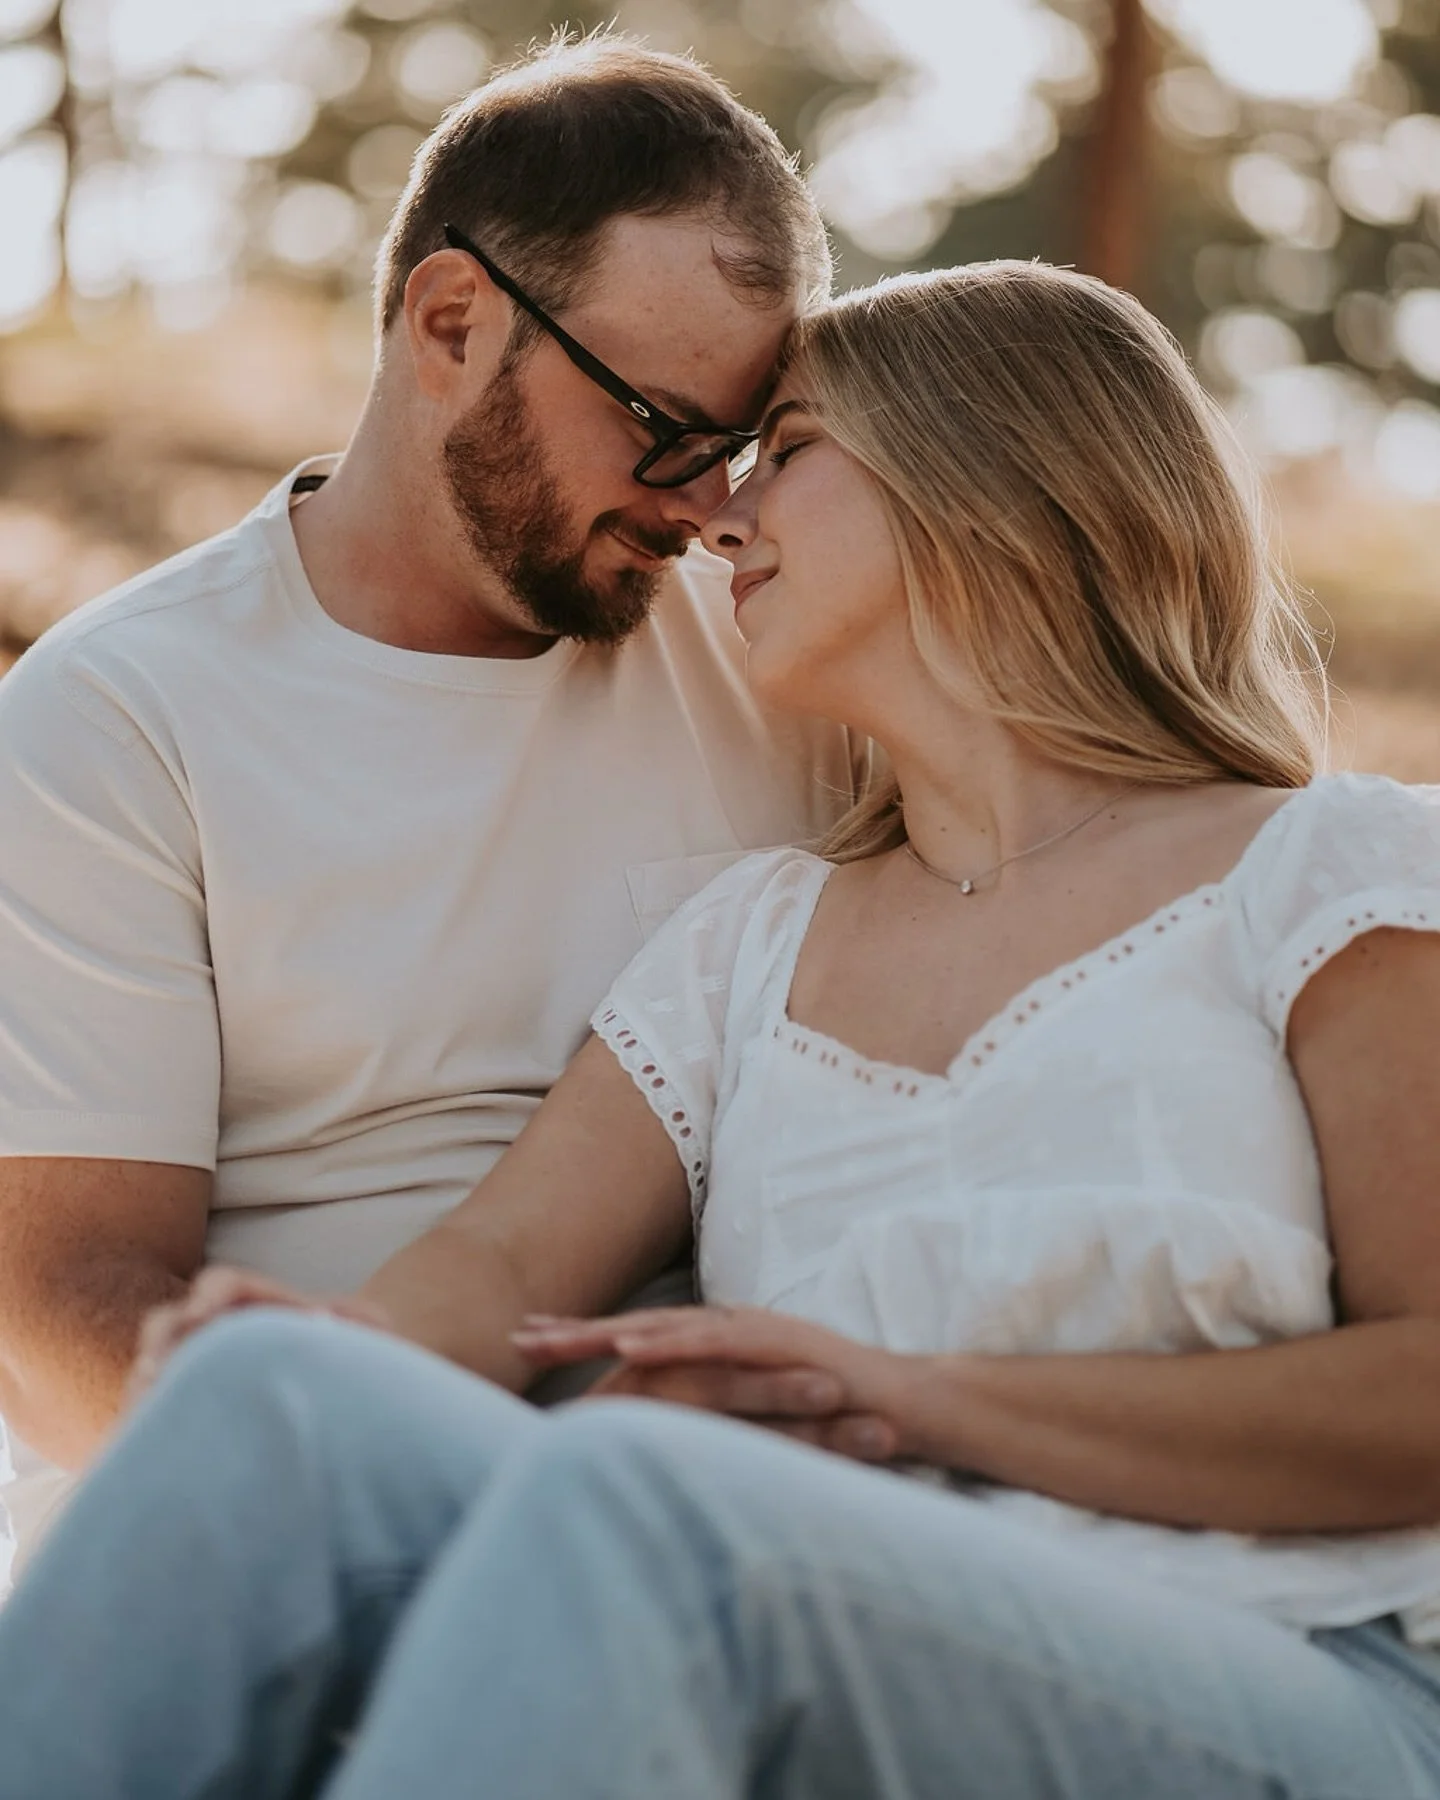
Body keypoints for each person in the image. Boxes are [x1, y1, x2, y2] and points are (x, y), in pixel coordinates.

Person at [6, 259, 1440, 1800]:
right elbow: (501, 1269)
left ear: (991, 474)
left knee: (656, 1498)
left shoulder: (1334, 870)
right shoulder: (752, 939)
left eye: (792, 451)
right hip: (813, 1601)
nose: (719, 516)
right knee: (265, 1404)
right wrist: (323, 1351)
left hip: (1275, 1654)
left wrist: (897, 1398)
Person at [0, 34, 868, 1583]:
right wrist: (384, 1502)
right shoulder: (121, 716)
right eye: (661, 427)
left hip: (711, 1499)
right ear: (452, 321)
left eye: (740, 450)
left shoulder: (781, 661)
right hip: (263, 1507)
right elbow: (61, 1312)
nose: (701, 505)